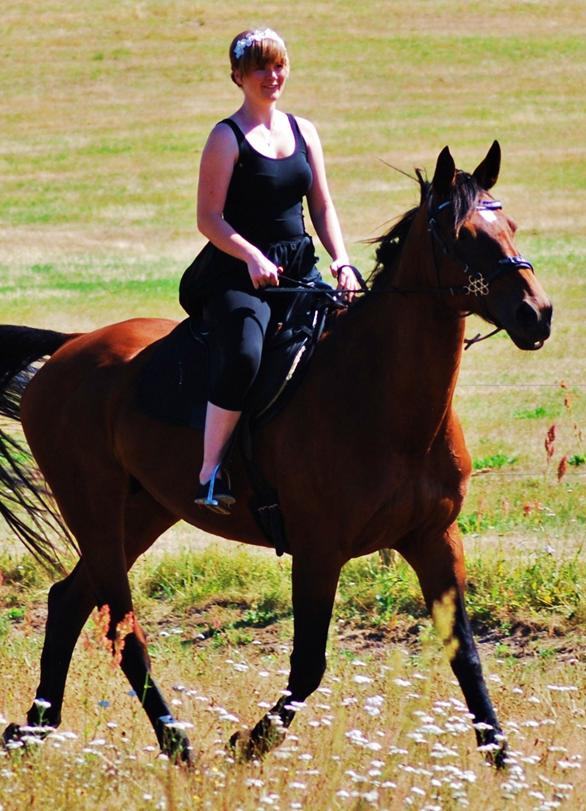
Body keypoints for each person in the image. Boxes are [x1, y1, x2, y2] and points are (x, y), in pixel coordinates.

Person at [180, 27, 360, 512]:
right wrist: (252, 256)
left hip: (299, 271)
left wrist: (341, 260)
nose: (272, 75)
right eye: (260, 67)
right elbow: (208, 219)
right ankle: (210, 474)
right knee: (244, 352)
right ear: (237, 76)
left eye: (279, 65)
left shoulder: (304, 131)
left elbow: (322, 207)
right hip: (236, 275)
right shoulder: (227, 137)